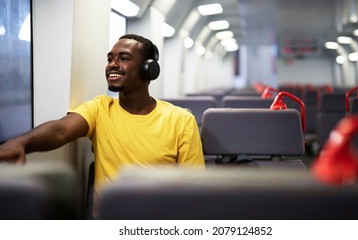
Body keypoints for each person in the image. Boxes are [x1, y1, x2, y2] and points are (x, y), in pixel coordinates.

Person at [0, 34, 205, 194]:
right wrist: (21, 143)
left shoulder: (181, 120)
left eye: (123, 58)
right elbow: (61, 130)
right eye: (110, 59)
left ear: (148, 70)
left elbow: (195, 186)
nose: (112, 65)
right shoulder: (100, 108)